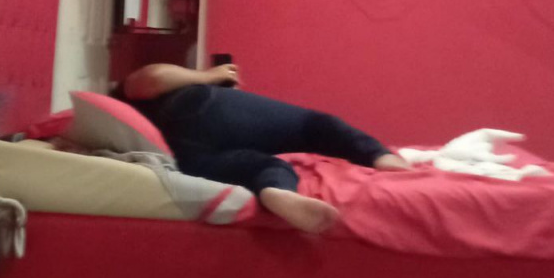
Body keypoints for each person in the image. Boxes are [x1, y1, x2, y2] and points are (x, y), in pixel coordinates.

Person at [118, 62, 410, 234]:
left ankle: (277, 191)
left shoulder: (112, 134)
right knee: (311, 125)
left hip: (178, 156)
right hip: (195, 108)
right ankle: (379, 156)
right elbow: (151, 79)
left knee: (264, 165)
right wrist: (210, 75)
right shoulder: (126, 91)